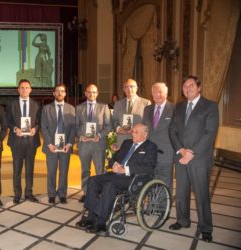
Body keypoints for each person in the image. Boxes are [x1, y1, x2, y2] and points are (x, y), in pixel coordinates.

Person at [76, 123, 157, 236]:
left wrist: (125, 170)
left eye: (136, 132)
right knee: (92, 180)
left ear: (145, 134)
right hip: (115, 174)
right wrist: (114, 164)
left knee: (109, 185)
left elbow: (149, 167)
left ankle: (101, 223)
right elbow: (113, 159)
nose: (133, 133)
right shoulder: (127, 143)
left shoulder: (151, 147)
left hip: (132, 178)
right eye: (133, 131)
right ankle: (90, 218)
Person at [168, 75, 219, 242]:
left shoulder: (210, 106)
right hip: (181, 157)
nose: (187, 88)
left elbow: (209, 134)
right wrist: (180, 150)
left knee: (201, 195)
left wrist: (192, 153)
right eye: (184, 86)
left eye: (191, 85)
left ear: (199, 88)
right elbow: (172, 130)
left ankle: (206, 227)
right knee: (181, 193)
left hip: (199, 159)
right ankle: (182, 220)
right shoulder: (179, 106)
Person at [75, 83, 112, 203]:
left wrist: (99, 135)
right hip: (84, 144)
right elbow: (75, 126)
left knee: (100, 170)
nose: (92, 94)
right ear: (85, 93)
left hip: (98, 144)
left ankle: (99, 192)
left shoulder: (104, 107)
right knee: (85, 170)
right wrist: (80, 136)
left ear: (97, 93)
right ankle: (86, 192)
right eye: (89, 92)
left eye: (94, 92)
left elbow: (108, 126)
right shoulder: (79, 108)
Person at [7, 79, 41, 204]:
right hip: (17, 141)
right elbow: (8, 121)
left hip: (31, 142)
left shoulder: (36, 104)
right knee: (17, 169)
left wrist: (35, 129)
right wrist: (15, 128)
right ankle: (17, 194)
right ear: (18, 90)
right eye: (22, 87)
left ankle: (29, 193)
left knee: (29, 169)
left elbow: (38, 122)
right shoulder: (11, 104)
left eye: (27, 87)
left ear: (30, 90)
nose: (24, 90)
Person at [41, 84, 75, 204]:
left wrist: (70, 144)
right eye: (57, 91)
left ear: (65, 94)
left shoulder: (71, 109)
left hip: (65, 146)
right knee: (51, 171)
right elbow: (43, 127)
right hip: (51, 146)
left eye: (62, 91)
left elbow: (73, 129)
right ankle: (51, 193)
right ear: (54, 93)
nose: (60, 93)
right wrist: (49, 144)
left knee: (64, 171)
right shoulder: (46, 108)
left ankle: (62, 194)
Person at [142, 82, 175, 194]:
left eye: (160, 92)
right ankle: (152, 208)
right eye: (155, 92)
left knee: (165, 183)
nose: (157, 95)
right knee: (150, 182)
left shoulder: (174, 109)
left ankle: (163, 210)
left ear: (166, 93)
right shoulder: (147, 109)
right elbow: (144, 130)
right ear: (152, 94)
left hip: (166, 154)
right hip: (149, 154)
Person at [112, 79, 151, 147]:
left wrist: (137, 129)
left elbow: (148, 123)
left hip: (139, 141)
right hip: (122, 141)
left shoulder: (146, 103)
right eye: (126, 87)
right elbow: (114, 120)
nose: (129, 89)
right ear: (124, 89)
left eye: (131, 86)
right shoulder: (118, 104)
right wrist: (118, 128)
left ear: (136, 88)